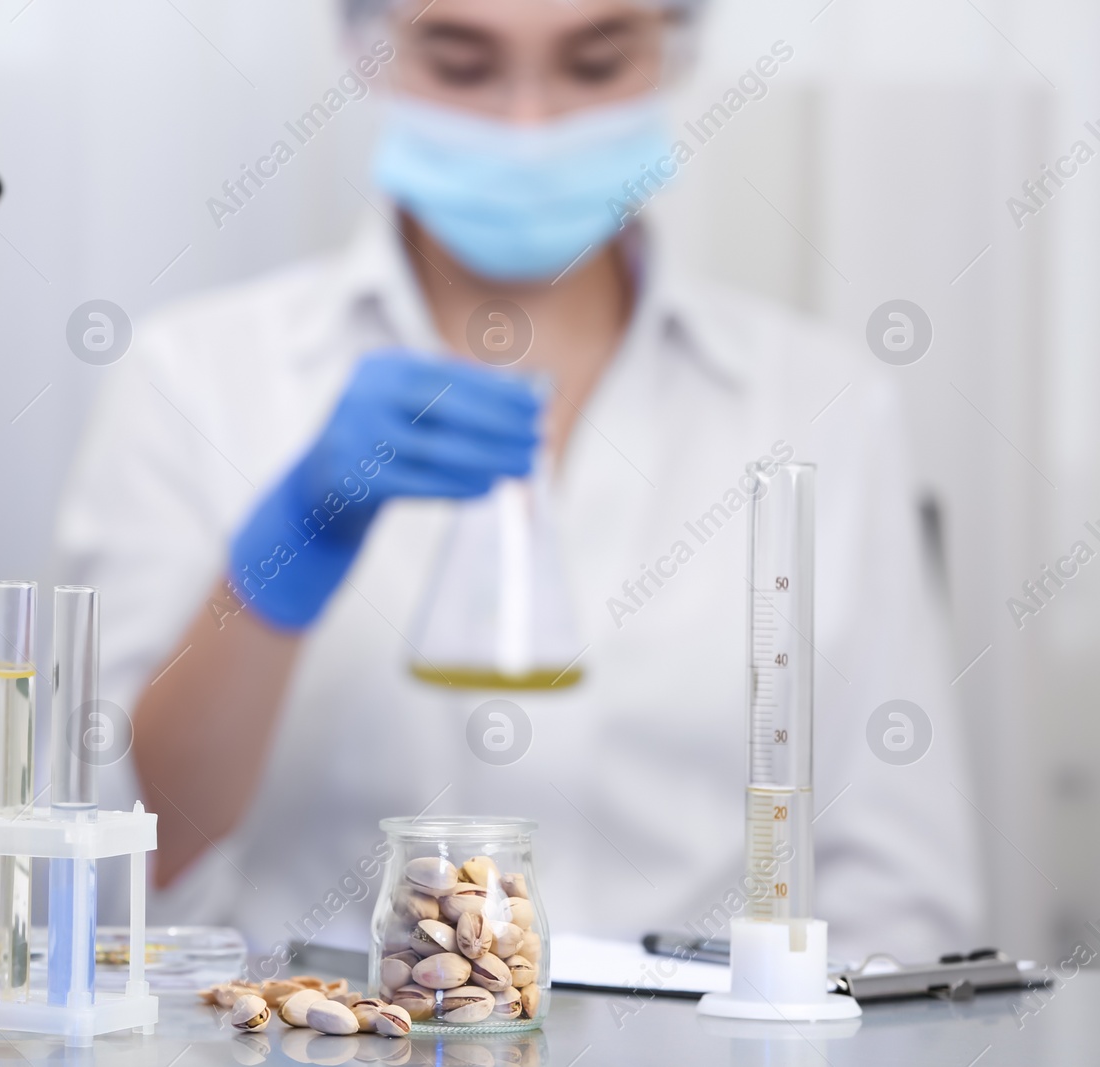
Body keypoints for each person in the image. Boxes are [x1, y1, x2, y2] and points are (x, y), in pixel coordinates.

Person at [54, 0, 983, 963]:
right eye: (463, 64)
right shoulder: (197, 377)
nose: (530, 126)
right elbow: (112, 870)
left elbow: (898, 897)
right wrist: (280, 557)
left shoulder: (821, 403)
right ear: (367, 50)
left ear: (674, 52)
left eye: (594, 64)